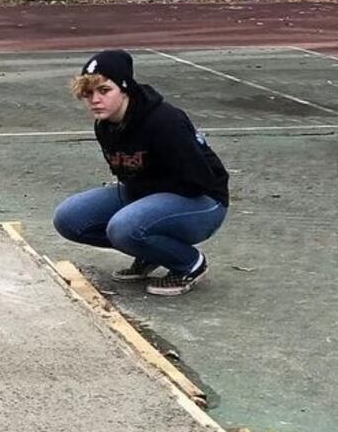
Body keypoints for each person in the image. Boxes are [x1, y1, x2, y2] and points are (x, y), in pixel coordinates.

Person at [52, 48, 230, 297]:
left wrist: (148, 210)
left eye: (104, 91)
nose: (94, 100)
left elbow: (199, 179)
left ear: (125, 89)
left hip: (203, 200)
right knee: (69, 219)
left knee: (124, 226)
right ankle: (152, 251)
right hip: (146, 191)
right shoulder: (105, 125)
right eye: (88, 93)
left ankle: (189, 263)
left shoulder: (164, 120)